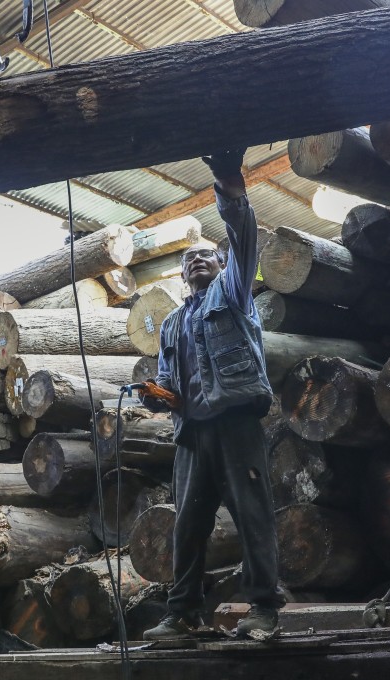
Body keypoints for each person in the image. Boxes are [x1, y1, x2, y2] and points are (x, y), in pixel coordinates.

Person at [141, 149, 283, 641]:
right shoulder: (171, 324)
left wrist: (229, 185)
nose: (198, 260)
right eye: (189, 259)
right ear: (181, 276)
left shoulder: (234, 293)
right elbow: (170, 384)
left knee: (252, 514)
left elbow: (245, 240)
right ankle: (182, 612)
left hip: (236, 423)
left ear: (221, 266)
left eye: (207, 255)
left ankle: (264, 609)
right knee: (188, 525)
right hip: (192, 434)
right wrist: (157, 398)